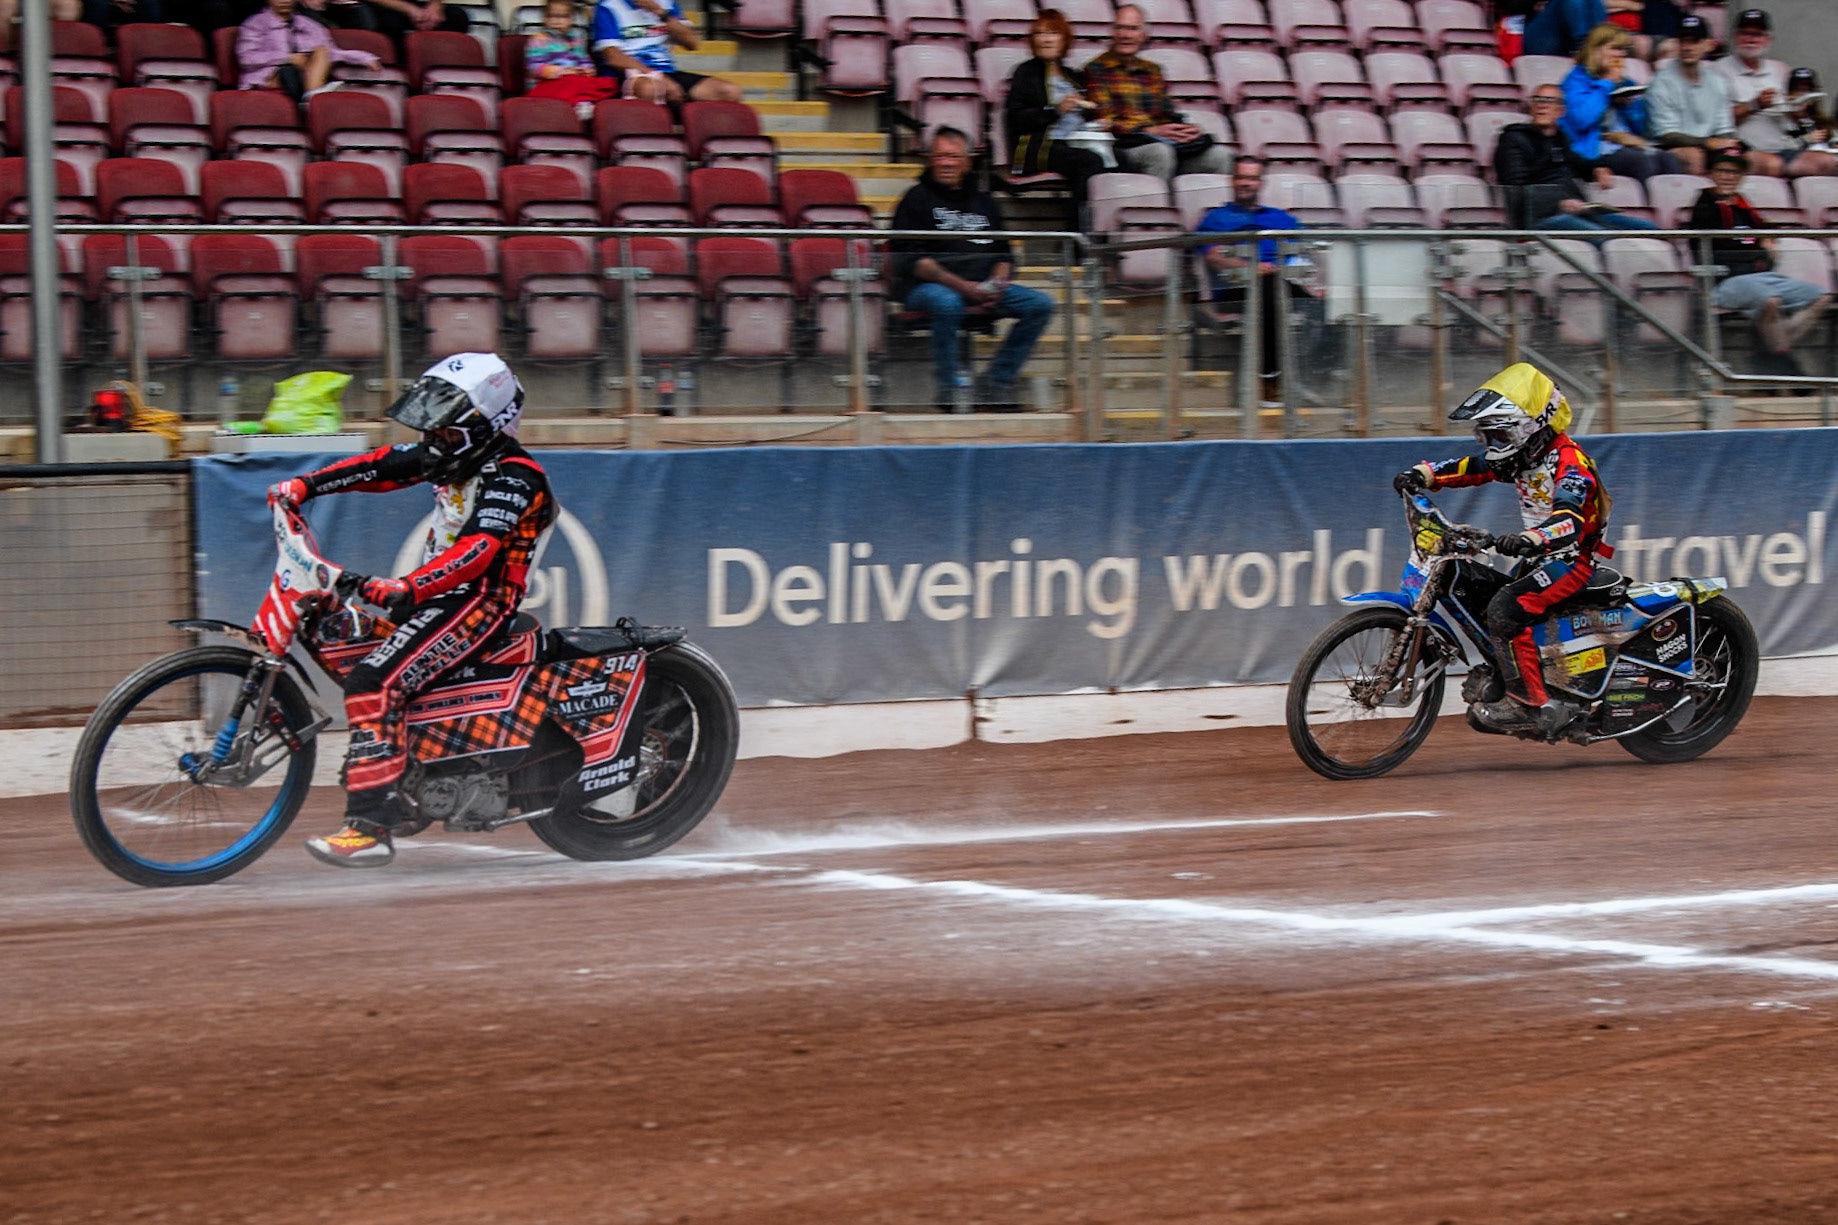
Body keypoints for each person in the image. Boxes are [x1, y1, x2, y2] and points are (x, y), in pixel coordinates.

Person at [265, 353, 557, 867]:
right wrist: (304, 487)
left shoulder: (516, 477)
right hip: (433, 598)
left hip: (478, 604)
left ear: (487, 428)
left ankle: (371, 827)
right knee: (327, 621)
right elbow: (379, 465)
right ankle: (406, 765)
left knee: (373, 682)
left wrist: (408, 588)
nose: (431, 442)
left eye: (445, 433)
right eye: (432, 431)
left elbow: (477, 552)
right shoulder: (451, 454)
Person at [1393, 363, 1612, 737]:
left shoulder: (1570, 463)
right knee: (1472, 586)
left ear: (1531, 426)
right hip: (1539, 558)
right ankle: (1516, 673)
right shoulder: (1522, 455)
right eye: (1487, 435)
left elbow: (1570, 520)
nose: (1491, 444)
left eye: (1497, 434)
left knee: (1505, 609)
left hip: (1572, 560)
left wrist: (1532, 539)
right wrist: (1425, 475)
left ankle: (1530, 703)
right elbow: (1474, 467)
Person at [889, 126, 1056, 412]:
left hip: (982, 285)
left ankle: (996, 382)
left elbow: (1004, 254)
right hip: (925, 288)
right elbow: (912, 260)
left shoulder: (984, 202)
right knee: (947, 302)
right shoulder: (915, 199)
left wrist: (998, 283)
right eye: (940, 156)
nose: (946, 163)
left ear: (968, 161)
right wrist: (965, 287)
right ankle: (950, 388)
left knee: (1040, 304)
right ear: (930, 158)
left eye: (953, 157)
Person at [1196, 155, 1319, 406]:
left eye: (1252, 178)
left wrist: (1313, 284)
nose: (1246, 183)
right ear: (1232, 181)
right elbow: (1214, 257)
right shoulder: (1216, 218)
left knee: (1327, 304)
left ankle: (1311, 378)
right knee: (1271, 290)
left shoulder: (1281, 218)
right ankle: (1269, 381)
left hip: (1281, 281)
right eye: (1241, 177)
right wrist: (1254, 268)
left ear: (1260, 183)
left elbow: (1303, 250)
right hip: (1235, 288)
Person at [1689, 147, 1830, 363]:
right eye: (1722, 170)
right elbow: (1707, 249)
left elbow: (1765, 230)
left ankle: (1777, 352)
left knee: (1820, 297)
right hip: (1725, 281)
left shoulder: (1744, 207)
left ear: (1741, 177)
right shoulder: (1705, 205)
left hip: (1762, 276)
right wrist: (1759, 253)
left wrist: (1768, 239)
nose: (1728, 177)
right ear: (1712, 174)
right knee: (1770, 301)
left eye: (1734, 172)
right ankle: (1784, 363)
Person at [1083, 3, 1232, 183]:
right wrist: (1149, 130)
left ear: (1144, 35)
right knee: (1160, 153)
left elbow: (1167, 114)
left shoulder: (1153, 71)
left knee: (1221, 156)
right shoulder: (1096, 70)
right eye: (1120, 28)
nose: (1125, 35)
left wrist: (1184, 130)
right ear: (1112, 32)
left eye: (1132, 29)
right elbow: (1104, 122)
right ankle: (1155, 209)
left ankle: (1213, 211)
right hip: (1121, 148)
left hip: (1160, 143)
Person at [1495, 84, 1659, 233]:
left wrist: (1597, 168)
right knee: (1604, 236)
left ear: (1561, 111)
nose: (1542, 105)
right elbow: (1515, 190)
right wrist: (1557, 204)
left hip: (1576, 212)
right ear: (1530, 107)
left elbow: (1579, 162)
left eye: (1549, 100)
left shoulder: (1559, 140)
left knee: (1649, 229)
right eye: (1537, 99)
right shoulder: (1513, 139)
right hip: (1539, 218)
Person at [1002, 7, 1105, 227]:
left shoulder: (1074, 77)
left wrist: (1097, 120)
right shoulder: (1025, 73)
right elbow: (1016, 118)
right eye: (1040, 33)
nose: (1046, 40)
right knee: (1091, 161)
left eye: (1053, 33)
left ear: (1065, 39)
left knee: (1122, 160)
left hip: (1076, 143)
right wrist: (1055, 110)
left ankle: (1106, 229)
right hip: (1037, 147)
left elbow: (1088, 113)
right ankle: (1076, 236)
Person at [1715, 9, 1838, 179]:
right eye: (1745, 33)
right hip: (1744, 149)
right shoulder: (1719, 70)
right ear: (1735, 36)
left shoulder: (1780, 69)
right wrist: (1754, 105)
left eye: (1758, 34)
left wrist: (1799, 106)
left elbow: (1794, 116)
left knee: (1831, 162)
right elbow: (1715, 121)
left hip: (1786, 148)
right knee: (1772, 165)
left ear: (1768, 38)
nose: (1751, 39)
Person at [1559, 23, 1682, 182]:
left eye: (1624, 49)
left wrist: (1629, 107)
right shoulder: (1576, 80)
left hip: (1627, 144)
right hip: (1594, 149)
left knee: (1669, 159)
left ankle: (1673, 206)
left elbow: (1642, 128)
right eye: (1615, 48)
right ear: (1596, 50)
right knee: (1643, 162)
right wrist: (1606, 83)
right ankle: (1646, 206)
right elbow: (1581, 120)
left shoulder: (1625, 82)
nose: (1622, 54)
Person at [1644, 13, 1741, 177]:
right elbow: (1667, 135)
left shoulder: (1717, 81)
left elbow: (1724, 128)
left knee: (1759, 161)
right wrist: (1707, 142)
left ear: (1708, 45)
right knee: (1695, 156)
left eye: (1694, 41)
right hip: (1667, 149)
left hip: (1708, 146)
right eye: (1683, 41)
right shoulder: (1661, 82)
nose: (1687, 47)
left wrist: (1729, 146)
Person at [591, 0, 741, 105]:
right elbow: (614, 57)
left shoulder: (667, 3)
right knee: (650, 88)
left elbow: (693, 43)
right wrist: (657, 77)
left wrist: (659, 12)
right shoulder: (608, 6)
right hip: (626, 74)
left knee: (728, 91)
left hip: (667, 72)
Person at [236, 0, 379, 101]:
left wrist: (362, 57)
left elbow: (332, 52)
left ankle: (312, 95)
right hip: (267, 77)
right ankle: (315, 95)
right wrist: (287, 58)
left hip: (303, 76)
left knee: (322, 51)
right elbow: (246, 59)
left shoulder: (308, 24)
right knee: (289, 71)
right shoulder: (254, 24)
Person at [525, 0, 622, 118]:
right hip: (546, 86)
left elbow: (585, 61)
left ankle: (581, 104)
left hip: (573, 80)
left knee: (609, 84)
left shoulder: (576, 39)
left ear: (571, 19)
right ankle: (581, 103)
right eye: (552, 16)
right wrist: (563, 71)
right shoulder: (538, 40)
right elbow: (534, 67)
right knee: (572, 81)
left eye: (563, 16)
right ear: (545, 18)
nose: (557, 21)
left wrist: (586, 70)